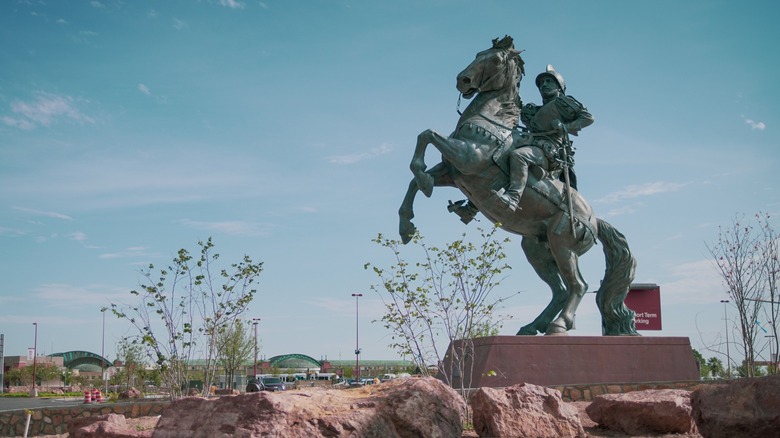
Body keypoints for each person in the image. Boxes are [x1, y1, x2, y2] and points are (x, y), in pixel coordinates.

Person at [494, 65, 594, 211]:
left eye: (549, 81)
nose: (544, 85)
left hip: (549, 151)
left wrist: (565, 127)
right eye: (542, 83)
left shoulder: (563, 104)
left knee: (519, 156)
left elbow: (588, 118)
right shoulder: (532, 110)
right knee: (497, 149)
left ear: (559, 87)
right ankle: (472, 206)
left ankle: (513, 198)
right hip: (530, 143)